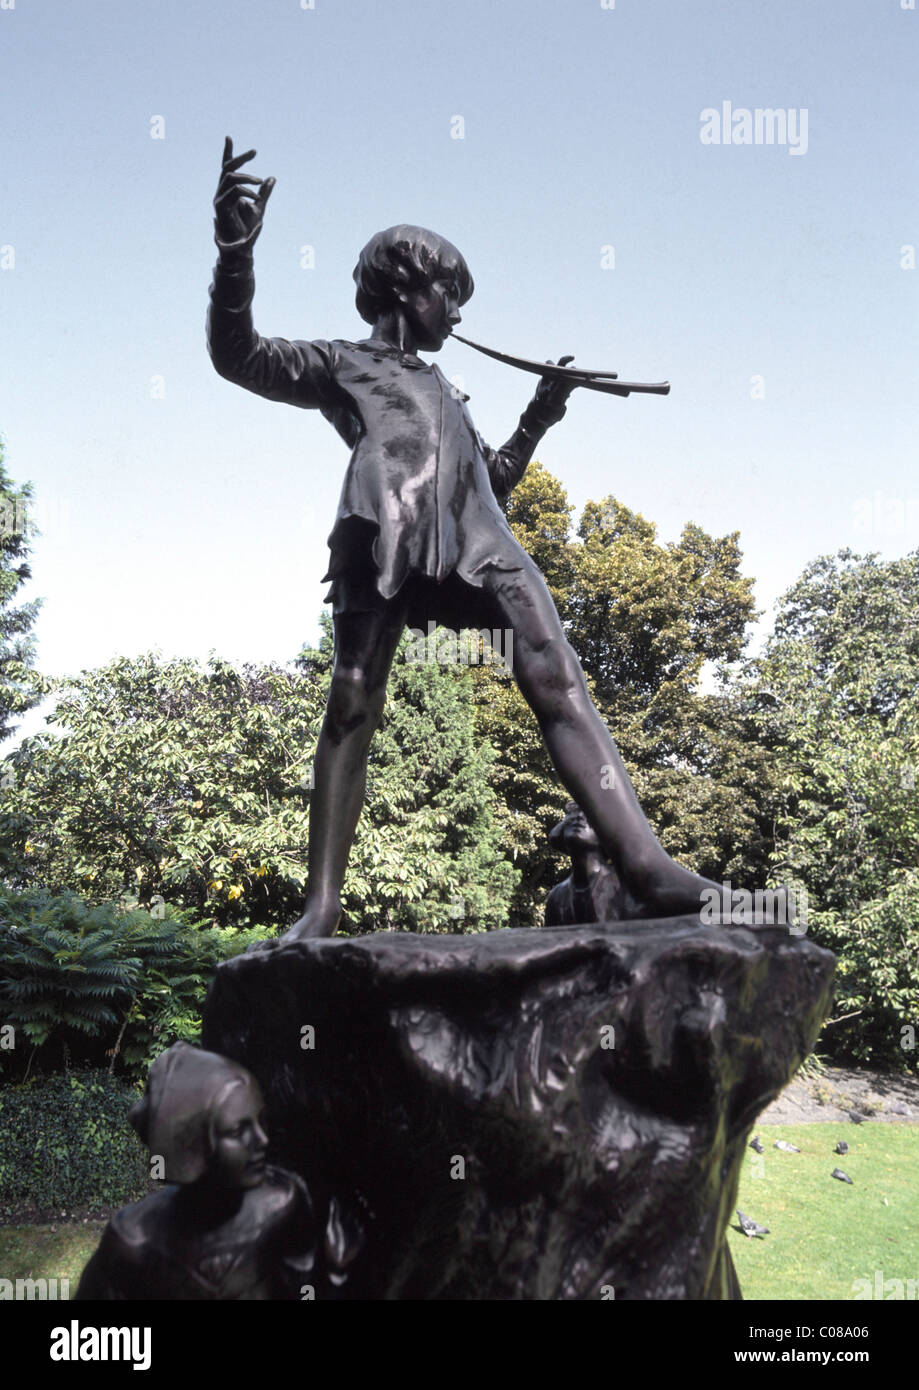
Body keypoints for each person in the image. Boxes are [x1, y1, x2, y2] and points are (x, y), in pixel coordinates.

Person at [207, 138, 720, 941]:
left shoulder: (449, 386)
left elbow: (492, 478)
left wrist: (541, 413)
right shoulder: (342, 362)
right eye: (449, 292)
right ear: (406, 289)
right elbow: (238, 356)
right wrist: (235, 259)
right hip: (384, 531)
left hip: (477, 541)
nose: (457, 310)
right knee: (351, 703)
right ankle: (321, 907)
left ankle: (644, 865)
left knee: (556, 674)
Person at [74, 1043, 323, 1300]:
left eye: (261, 1121)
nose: (262, 1141)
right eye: (238, 1131)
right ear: (193, 1143)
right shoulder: (133, 1241)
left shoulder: (281, 1206)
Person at [544, 801, 626, 927]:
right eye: (574, 814)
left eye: (589, 815)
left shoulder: (622, 886)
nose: (579, 817)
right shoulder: (557, 896)